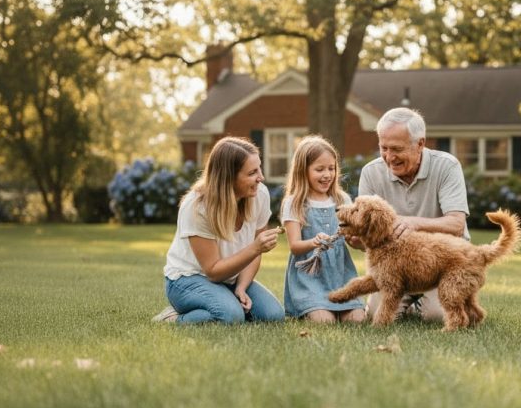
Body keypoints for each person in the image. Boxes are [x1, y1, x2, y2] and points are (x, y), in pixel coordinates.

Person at [153, 137, 285, 324]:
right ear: (228, 177)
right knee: (231, 316)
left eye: (260, 168)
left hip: (230, 279)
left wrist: (241, 287)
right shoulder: (197, 207)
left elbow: (255, 255)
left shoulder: (259, 194)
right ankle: (173, 317)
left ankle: (227, 300)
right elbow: (213, 271)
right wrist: (255, 247)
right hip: (188, 280)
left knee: (273, 316)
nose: (261, 177)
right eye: (252, 172)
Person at [353, 107, 470, 321]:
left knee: (436, 316)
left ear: (420, 144)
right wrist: (357, 240)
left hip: (441, 265)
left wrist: (413, 223)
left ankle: (426, 304)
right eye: (384, 148)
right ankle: (406, 302)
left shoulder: (446, 166)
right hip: (394, 268)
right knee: (372, 316)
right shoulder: (371, 173)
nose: (390, 157)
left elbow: (456, 224)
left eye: (397, 149)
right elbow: (368, 240)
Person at [281, 135, 365, 323]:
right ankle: (312, 307)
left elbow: (352, 237)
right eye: (319, 169)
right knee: (324, 321)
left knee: (357, 319)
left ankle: (340, 308)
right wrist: (313, 242)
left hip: (340, 276)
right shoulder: (294, 203)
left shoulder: (342, 199)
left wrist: (355, 239)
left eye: (331, 168)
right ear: (303, 171)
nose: (327, 175)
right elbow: (294, 246)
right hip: (310, 279)